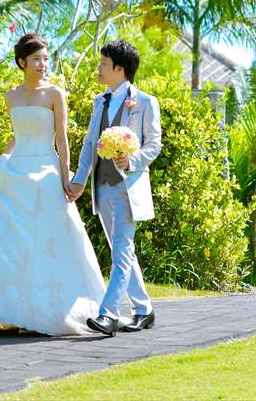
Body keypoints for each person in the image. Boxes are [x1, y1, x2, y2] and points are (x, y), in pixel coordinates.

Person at [0, 33, 104, 335]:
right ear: (22, 62)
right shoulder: (12, 96)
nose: (43, 64)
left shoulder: (55, 94)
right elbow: (18, 138)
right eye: (36, 59)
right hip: (19, 165)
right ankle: (13, 310)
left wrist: (66, 178)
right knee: (3, 226)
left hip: (45, 167)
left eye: (46, 59)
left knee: (47, 235)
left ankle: (47, 311)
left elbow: (61, 139)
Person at [65, 40, 162, 337]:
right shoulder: (100, 101)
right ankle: (144, 309)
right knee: (122, 251)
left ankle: (108, 314)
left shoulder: (145, 102)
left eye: (104, 63)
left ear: (120, 68)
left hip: (129, 187)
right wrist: (80, 179)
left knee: (121, 250)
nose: (99, 68)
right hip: (103, 188)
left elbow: (154, 144)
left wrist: (132, 158)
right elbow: (91, 143)